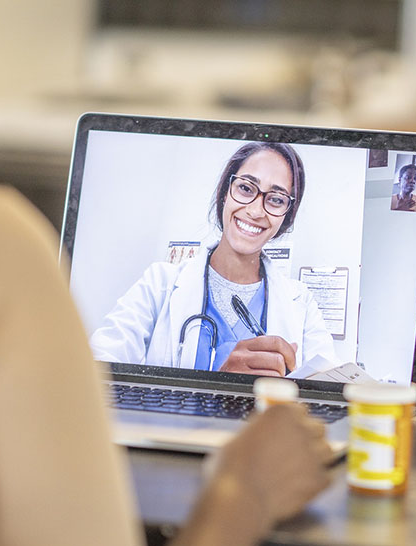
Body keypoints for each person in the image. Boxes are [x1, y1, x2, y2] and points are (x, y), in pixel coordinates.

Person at [0, 1, 333, 546]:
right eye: (246, 187)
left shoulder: (298, 299)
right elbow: (100, 362)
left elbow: (332, 380)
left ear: (286, 220)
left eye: (275, 200)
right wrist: (243, 487)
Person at [90, 142, 339, 376]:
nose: (255, 210)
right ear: (225, 193)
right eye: (245, 188)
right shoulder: (159, 284)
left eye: (275, 199)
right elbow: (94, 371)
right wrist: (221, 383)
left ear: (286, 215)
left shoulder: (302, 304)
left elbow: (327, 387)